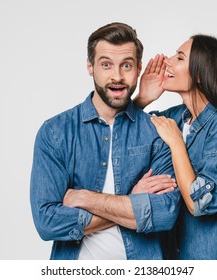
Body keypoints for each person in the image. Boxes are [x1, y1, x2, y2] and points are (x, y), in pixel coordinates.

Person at [30, 22, 181, 260]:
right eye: (106, 64)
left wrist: (84, 198)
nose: (117, 76)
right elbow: (47, 223)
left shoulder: (157, 132)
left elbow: (164, 214)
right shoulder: (55, 132)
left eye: (127, 65)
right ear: (90, 66)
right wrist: (132, 202)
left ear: (139, 68)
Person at [135, 34, 217, 259]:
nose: (168, 60)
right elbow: (126, 133)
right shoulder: (178, 118)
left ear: (201, 75)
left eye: (180, 58)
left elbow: (200, 203)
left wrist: (176, 144)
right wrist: (142, 99)